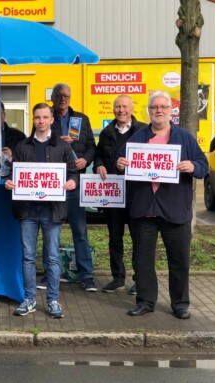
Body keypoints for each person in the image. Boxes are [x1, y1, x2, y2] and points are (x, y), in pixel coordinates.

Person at [117, 90, 208, 319]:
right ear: (148, 111)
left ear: (170, 111)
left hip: (174, 210)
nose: (158, 111)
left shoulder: (185, 137)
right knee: (143, 260)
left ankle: (180, 304)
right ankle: (146, 301)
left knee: (179, 261)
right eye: (154, 107)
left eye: (163, 107)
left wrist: (192, 167)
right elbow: (120, 159)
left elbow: (203, 165)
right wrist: (120, 163)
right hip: (144, 209)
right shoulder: (137, 138)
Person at [5, 103, 77, 319]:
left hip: (52, 210)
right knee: (27, 257)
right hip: (27, 210)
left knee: (52, 257)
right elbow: (13, 173)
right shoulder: (22, 146)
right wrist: (10, 183)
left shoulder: (63, 147)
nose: (41, 121)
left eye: (45, 117)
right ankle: (29, 300)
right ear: (33, 119)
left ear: (52, 119)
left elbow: (73, 172)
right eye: (37, 117)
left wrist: (72, 182)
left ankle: (53, 300)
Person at [93, 95, 147, 295]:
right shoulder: (107, 132)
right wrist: (98, 165)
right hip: (113, 193)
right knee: (115, 237)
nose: (121, 110)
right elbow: (99, 154)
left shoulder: (143, 130)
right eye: (117, 107)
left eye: (124, 106)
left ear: (132, 109)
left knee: (138, 238)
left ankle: (139, 279)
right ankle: (117, 278)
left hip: (137, 194)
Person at [48, 83, 97, 292]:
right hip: (53, 183)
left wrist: (85, 160)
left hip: (75, 181)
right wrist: (57, 142)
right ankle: (50, 275)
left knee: (80, 230)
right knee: (52, 232)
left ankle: (87, 276)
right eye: (59, 95)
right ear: (52, 97)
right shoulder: (46, 117)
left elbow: (91, 147)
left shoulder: (81, 119)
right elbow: (36, 142)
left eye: (66, 95)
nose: (62, 99)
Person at [0, 100, 26, 177]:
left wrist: (12, 155)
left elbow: (24, 159)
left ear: (4, 115)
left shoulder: (19, 136)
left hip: (9, 179)